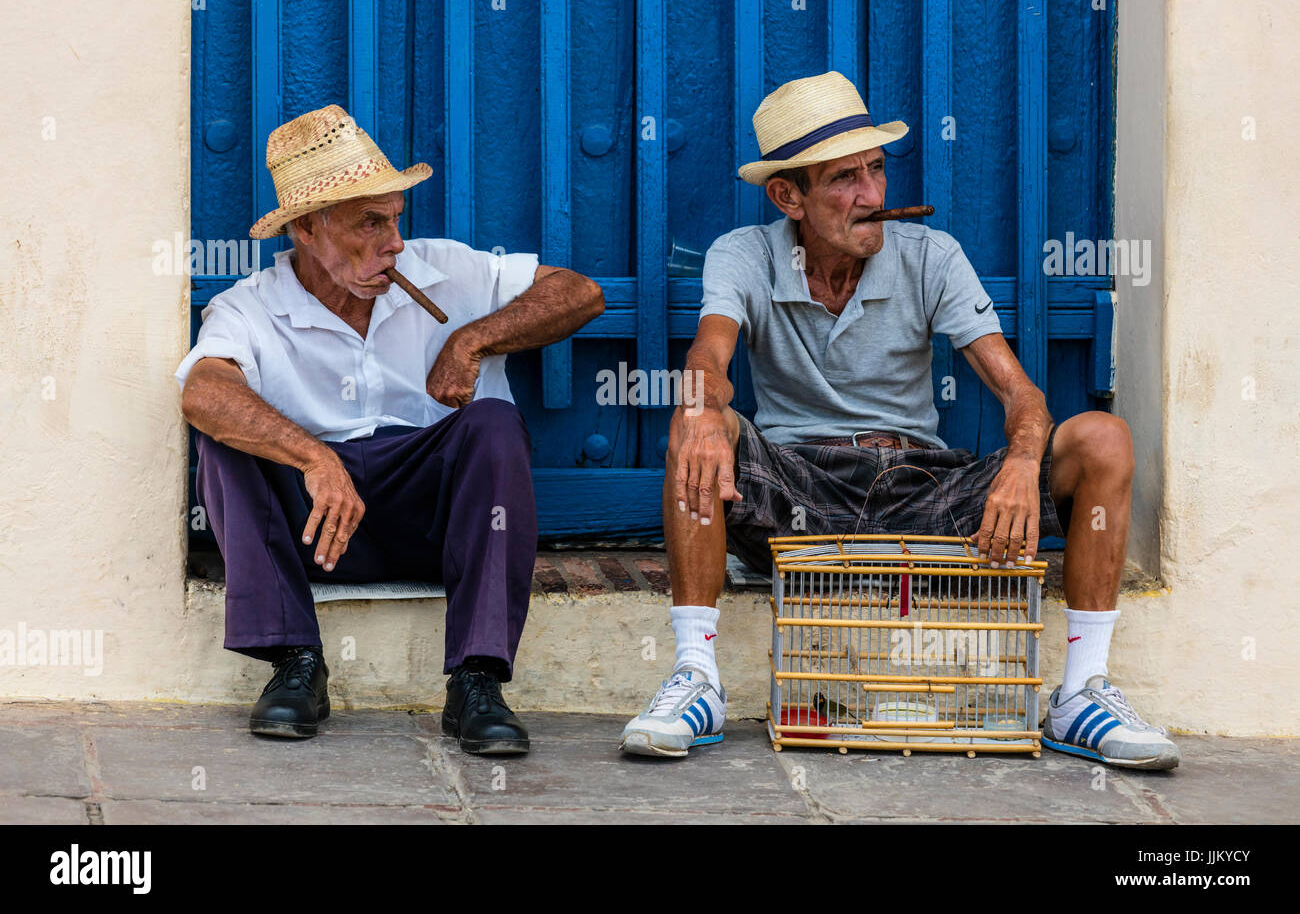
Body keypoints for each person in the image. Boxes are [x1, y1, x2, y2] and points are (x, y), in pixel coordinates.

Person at [619, 72, 1179, 770]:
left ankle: (1082, 690)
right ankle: (696, 676)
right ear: (787, 195)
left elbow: (1022, 396)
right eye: (843, 180)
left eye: (876, 170)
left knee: (1103, 438)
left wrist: (1019, 463)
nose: (873, 196)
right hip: (802, 490)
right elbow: (710, 350)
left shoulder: (929, 256)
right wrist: (702, 408)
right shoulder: (746, 253)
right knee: (695, 421)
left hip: (924, 489)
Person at [175, 104, 603, 753]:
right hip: (318, 530)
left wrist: (472, 338)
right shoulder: (252, 305)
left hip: (430, 524)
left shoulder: (446, 270)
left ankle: (477, 679)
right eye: (370, 223)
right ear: (309, 229)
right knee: (223, 438)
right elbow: (205, 390)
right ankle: (295, 663)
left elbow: (581, 292)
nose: (395, 243)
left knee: (491, 422)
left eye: (395, 220)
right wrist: (315, 458)